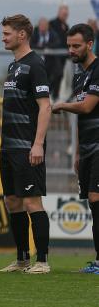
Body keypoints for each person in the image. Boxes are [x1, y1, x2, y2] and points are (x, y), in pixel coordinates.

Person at [0, 15, 52, 274]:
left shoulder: (35, 64)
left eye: (7, 33)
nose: (3, 37)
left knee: (32, 203)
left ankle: (43, 261)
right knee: (13, 202)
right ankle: (21, 260)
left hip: (27, 147)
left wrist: (38, 143)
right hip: (8, 147)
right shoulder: (12, 66)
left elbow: (45, 106)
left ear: (22, 35)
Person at [51, 24, 99, 274]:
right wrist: (78, 152)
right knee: (92, 204)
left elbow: (87, 107)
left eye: (76, 46)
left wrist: (61, 105)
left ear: (90, 44)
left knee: (96, 198)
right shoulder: (80, 74)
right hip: (88, 147)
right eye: (69, 45)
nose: (71, 50)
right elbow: (81, 119)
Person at [48, 5, 70, 98]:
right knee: (52, 75)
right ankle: (48, 95)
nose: (65, 15)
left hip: (63, 56)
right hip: (52, 56)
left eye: (66, 14)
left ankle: (55, 96)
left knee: (60, 76)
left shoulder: (66, 26)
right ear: (59, 12)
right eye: (63, 13)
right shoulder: (52, 23)